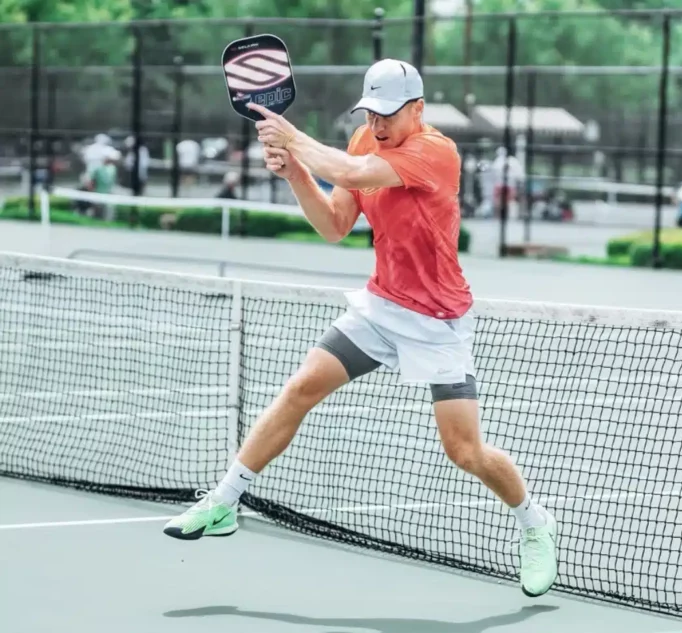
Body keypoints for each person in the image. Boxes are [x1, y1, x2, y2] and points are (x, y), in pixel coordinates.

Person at [162, 58, 559, 598]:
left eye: (388, 115)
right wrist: (295, 172)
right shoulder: (360, 140)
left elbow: (352, 175)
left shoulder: (436, 152)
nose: (377, 126)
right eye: (370, 114)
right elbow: (334, 224)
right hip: (381, 308)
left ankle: (535, 523)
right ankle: (224, 502)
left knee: (465, 452)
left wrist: (291, 138)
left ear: (418, 109)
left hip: (438, 321)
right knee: (301, 386)